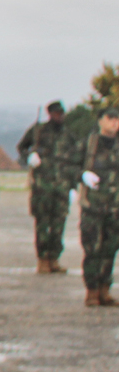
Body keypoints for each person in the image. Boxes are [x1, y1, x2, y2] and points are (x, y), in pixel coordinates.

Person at [18, 101, 75, 274]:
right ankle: (42, 259)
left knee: (59, 224)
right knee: (42, 224)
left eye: (62, 113)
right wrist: (30, 156)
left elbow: (75, 158)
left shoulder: (68, 135)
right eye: (56, 113)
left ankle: (54, 258)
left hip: (62, 187)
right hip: (42, 187)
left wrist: (73, 183)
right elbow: (21, 147)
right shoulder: (38, 131)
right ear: (49, 114)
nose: (60, 116)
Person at [75, 106, 119, 307]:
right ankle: (91, 291)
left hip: (115, 208)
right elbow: (67, 165)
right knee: (93, 249)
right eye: (110, 118)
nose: (114, 122)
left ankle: (104, 290)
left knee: (110, 250)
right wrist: (81, 175)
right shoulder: (89, 144)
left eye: (117, 119)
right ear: (100, 120)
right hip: (93, 206)